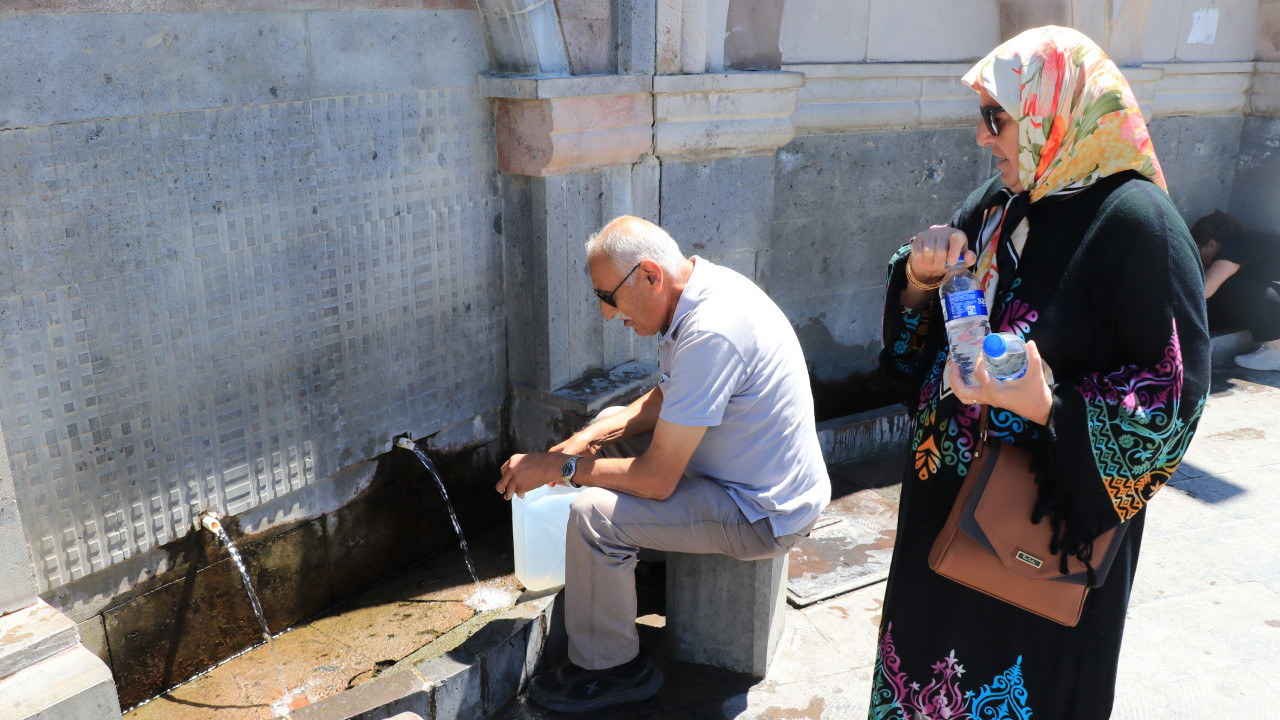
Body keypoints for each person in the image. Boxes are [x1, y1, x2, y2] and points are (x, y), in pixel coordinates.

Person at [873, 26, 1210, 719]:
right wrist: (916, 279)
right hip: (940, 534)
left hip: (1035, 552)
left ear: (1057, 107)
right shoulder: (997, 208)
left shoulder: (1138, 223)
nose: (982, 138)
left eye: (996, 118)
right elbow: (914, 362)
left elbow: (1171, 404)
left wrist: (1046, 404)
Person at [496, 215, 830, 714]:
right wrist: (584, 440)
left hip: (761, 512)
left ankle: (610, 670)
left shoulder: (712, 330)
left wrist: (558, 469)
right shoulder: (701, 290)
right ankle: (633, 574)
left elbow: (654, 480)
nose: (608, 314)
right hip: (741, 474)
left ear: (650, 274)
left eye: (608, 297)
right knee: (608, 425)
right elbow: (670, 393)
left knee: (593, 515)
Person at [1190, 209, 1280, 370]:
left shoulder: (1234, 247)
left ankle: (1277, 350)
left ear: (1211, 243)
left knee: (1223, 284)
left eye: (1197, 249)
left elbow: (1204, 291)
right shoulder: (1253, 243)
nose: (1198, 257)